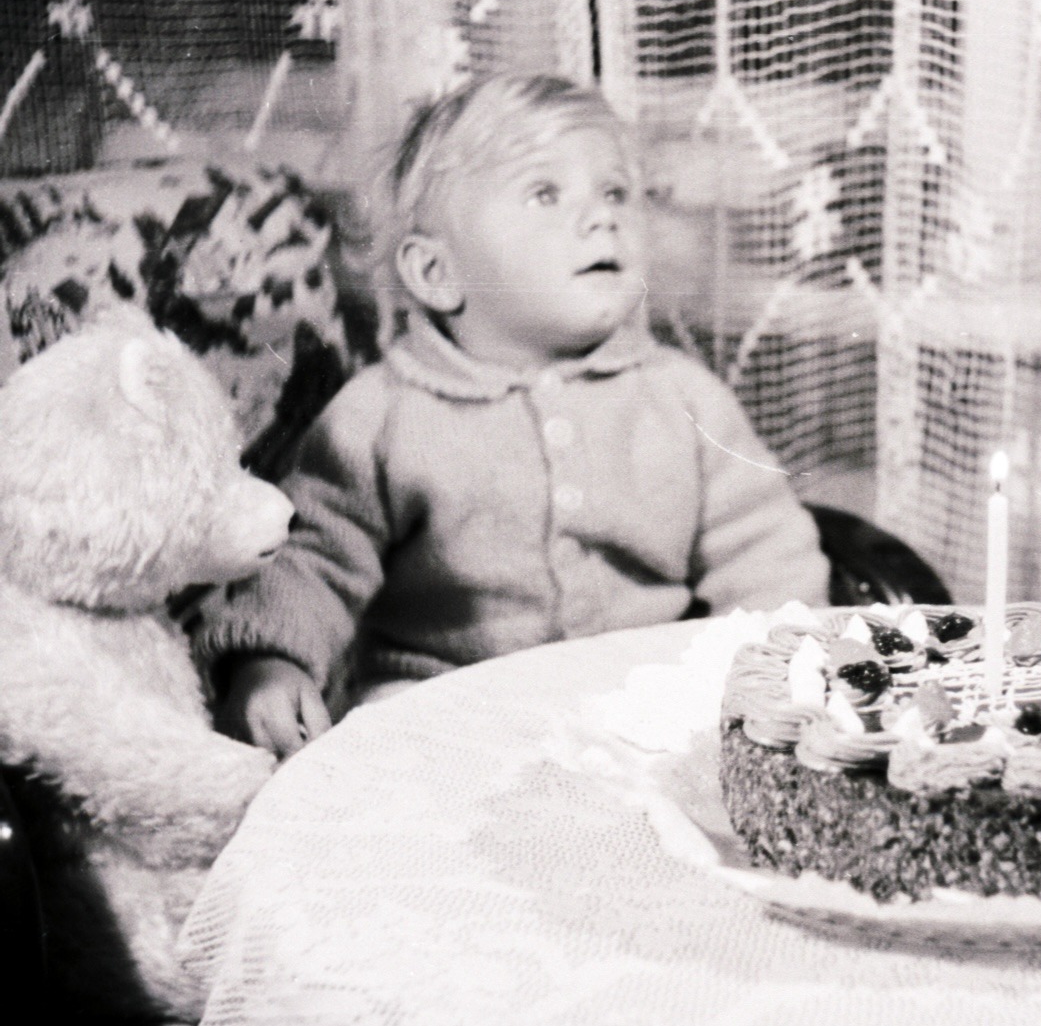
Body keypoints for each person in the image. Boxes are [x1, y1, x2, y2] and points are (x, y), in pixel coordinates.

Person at [197, 73, 829, 759]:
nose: (602, 216)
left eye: (615, 191)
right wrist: (271, 662)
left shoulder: (683, 397)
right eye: (544, 193)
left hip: (642, 709)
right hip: (446, 711)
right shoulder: (379, 415)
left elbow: (767, 557)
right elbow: (313, 561)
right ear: (438, 274)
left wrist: (779, 670)